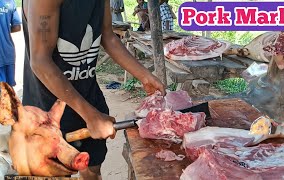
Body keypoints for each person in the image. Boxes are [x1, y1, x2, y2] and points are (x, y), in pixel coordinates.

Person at [21, 0, 165, 179]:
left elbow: (108, 36)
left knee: (92, 168)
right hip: (47, 108)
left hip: (88, 95)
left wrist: (144, 76)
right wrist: (91, 116)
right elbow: (40, 61)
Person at [0, 0, 22, 86]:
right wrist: (4, 30)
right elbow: (17, 27)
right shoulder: (10, 2)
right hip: (8, 52)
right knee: (9, 89)